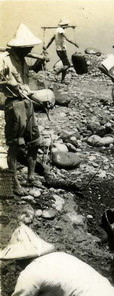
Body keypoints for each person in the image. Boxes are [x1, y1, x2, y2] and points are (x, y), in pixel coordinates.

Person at [0, 24, 44, 195]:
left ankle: (31, 177)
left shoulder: (24, 60)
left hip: (27, 103)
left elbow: (26, 82)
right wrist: (6, 83)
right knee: (15, 145)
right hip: (14, 105)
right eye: (28, 47)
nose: (30, 49)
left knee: (35, 141)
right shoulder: (5, 60)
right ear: (20, 47)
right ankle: (14, 183)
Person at [44, 18, 78, 84]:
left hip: (59, 50)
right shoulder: (61, 31)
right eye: (67, 25)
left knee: (65, 65)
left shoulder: (56, 31)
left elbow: (51, 40)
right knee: (67, 65)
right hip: (61, 50)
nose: (67, 26)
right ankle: (56, 74)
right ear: (64, 25)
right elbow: (67, 38)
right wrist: (74, 43)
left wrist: (46, 47)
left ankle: (62, 80)